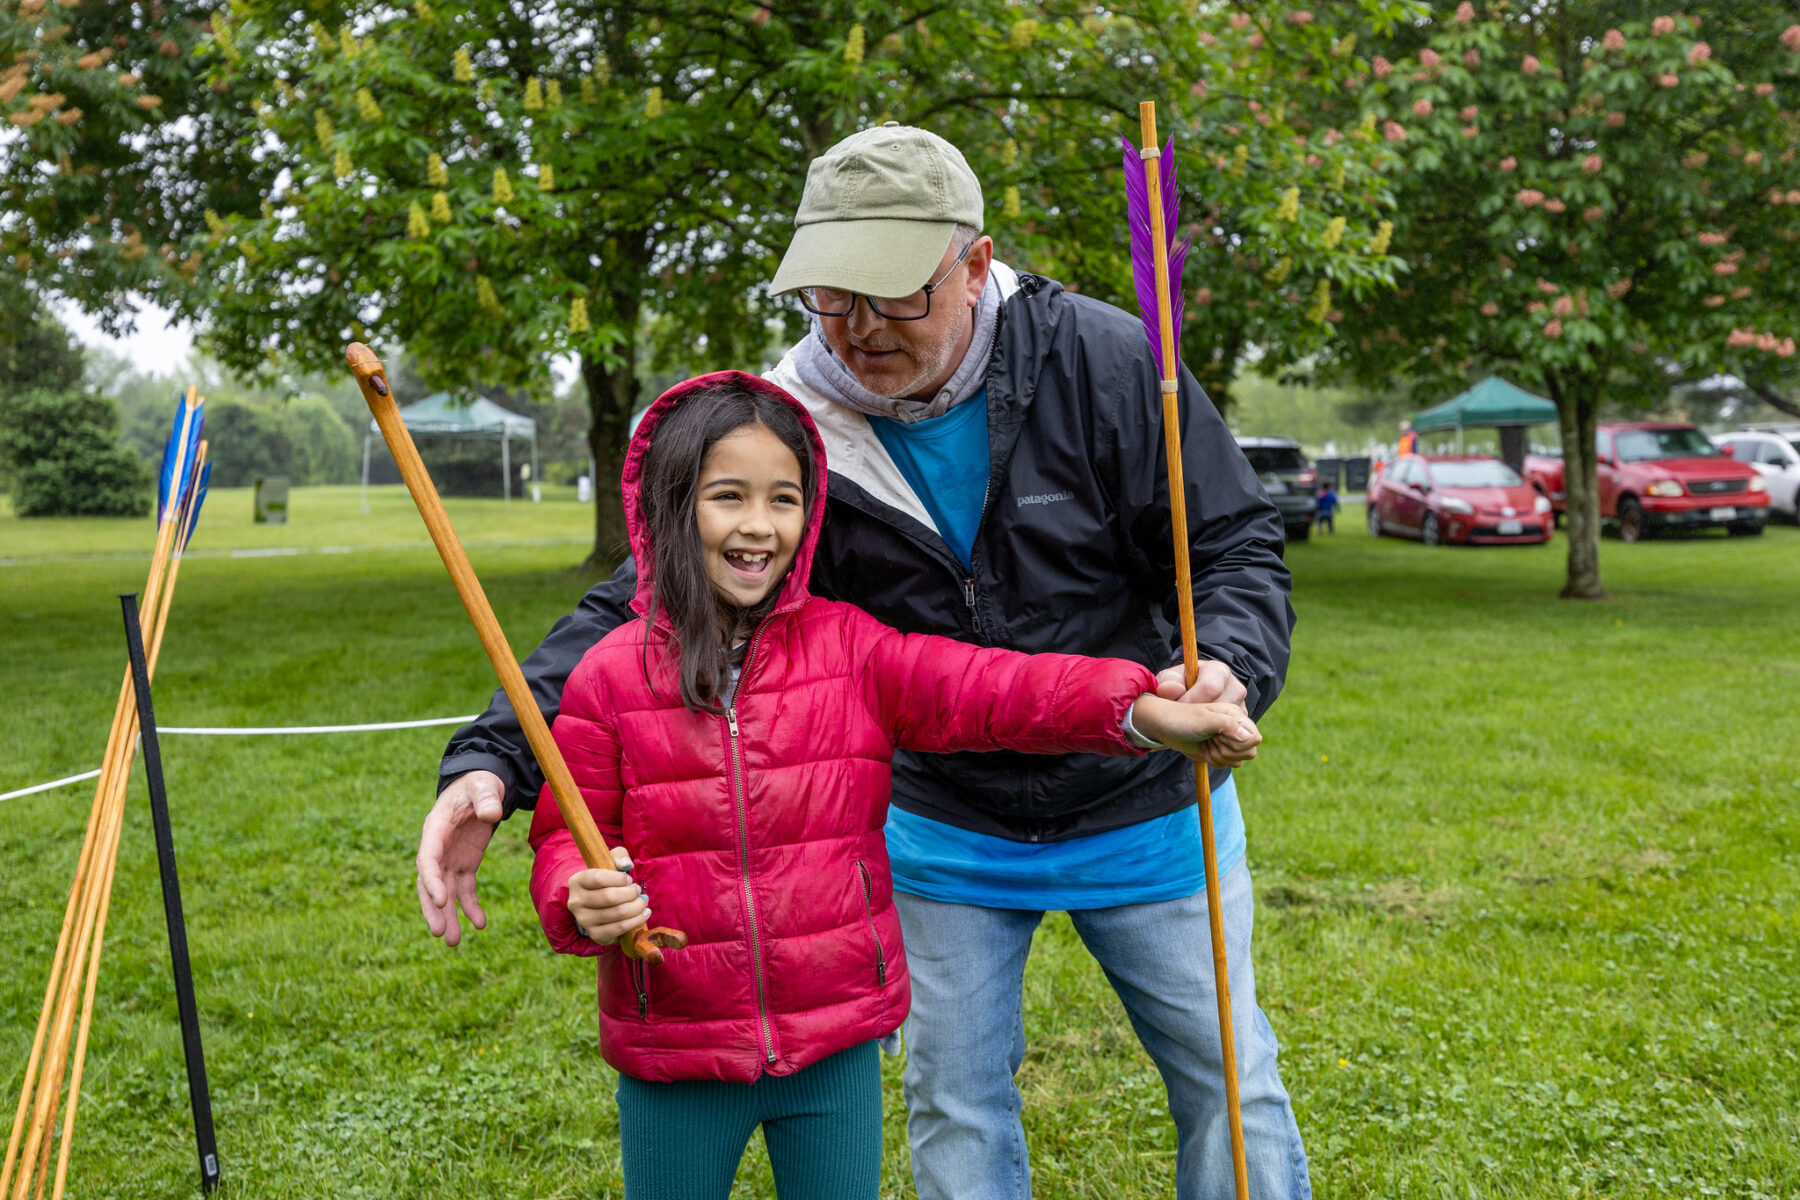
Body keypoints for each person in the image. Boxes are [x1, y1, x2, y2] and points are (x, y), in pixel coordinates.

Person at [422, 124, 1308, 1199]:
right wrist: (493, 757)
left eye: (895, 295)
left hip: (1148, 794)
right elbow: (650, 600)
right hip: (944, 825)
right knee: (955, 1098)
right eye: (834, 296)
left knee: (1231, 1083)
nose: (860, 329)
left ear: (975, 264)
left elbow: (1228, 544)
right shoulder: (798, 422)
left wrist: (1234, 668)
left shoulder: (1104, 358)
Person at [530, 372, 1262, 1199]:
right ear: (669, 507)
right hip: (676, 1045)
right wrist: (576, 898)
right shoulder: (604, 680)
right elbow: (564, 837)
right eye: (727, 496)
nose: (758, 526)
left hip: (836, 1042)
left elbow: (992, 688)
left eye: (784, 499)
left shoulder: (852, 650)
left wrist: (1137, 709)